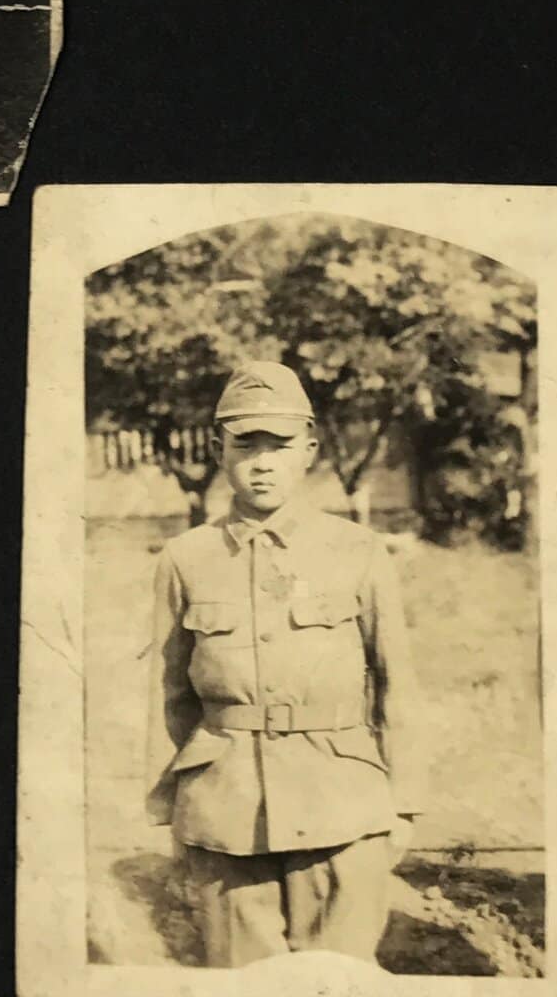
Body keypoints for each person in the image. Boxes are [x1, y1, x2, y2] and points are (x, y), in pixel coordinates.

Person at [146, 361, 423, 968]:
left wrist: (402, 805)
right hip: (227, 812)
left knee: (342, 977)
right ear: (220, 451)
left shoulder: (357, 551)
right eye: (247, 446)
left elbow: (396, 684)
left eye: (281, 446)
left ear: (310, 452)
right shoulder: (185, 558)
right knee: (245, 982)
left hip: (343, 805)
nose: (263, 463)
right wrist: (174, 807)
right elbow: (169, 691)